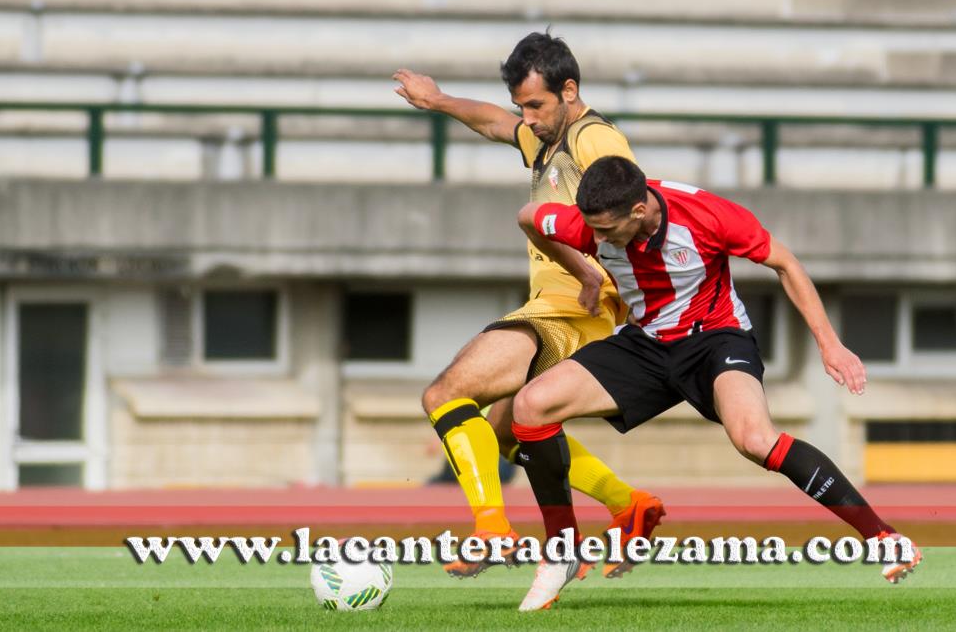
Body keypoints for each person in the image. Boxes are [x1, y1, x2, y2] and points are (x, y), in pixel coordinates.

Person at [512, 156, 923, 611]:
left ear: (638, 211)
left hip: (714, 338)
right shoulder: (587, 223)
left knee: (754, 439)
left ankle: (883, 538)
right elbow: (529, 218)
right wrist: (586, 273)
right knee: (531, 406)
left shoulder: (707, 216)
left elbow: (785, 264)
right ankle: (562, 550)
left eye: (606, 232)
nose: (598, 239)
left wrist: (830, 345)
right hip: (646, 343)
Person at [392, 33, 664, 578]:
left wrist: (599, 275)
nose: (528, 118)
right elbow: (494, 122)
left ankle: (492, 530)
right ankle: (627, 504)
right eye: (523, 106)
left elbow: (635, 213)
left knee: (445, 394)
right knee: (509, 431)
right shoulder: (545, 138)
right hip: (560, 304)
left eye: (536, 105)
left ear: (569, 90)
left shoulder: (596, 141)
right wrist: (439, 100)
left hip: (575, 309)